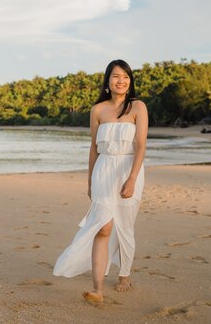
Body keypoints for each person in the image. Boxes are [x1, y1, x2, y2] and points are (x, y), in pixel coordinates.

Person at [53, 59, 148, 304]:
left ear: (130, 81)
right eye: (116, 76)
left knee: (125, 225)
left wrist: (132, 178)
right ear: (107, 81)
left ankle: (124, 274)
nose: (121, 81)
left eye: (126, 77)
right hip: (104, 169)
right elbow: (94, 148)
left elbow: (140, 146)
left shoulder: (138, 107)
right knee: (102, 227)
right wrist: (90, 180)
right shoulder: (98, 110)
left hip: (129, 168)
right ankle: (97, 289)